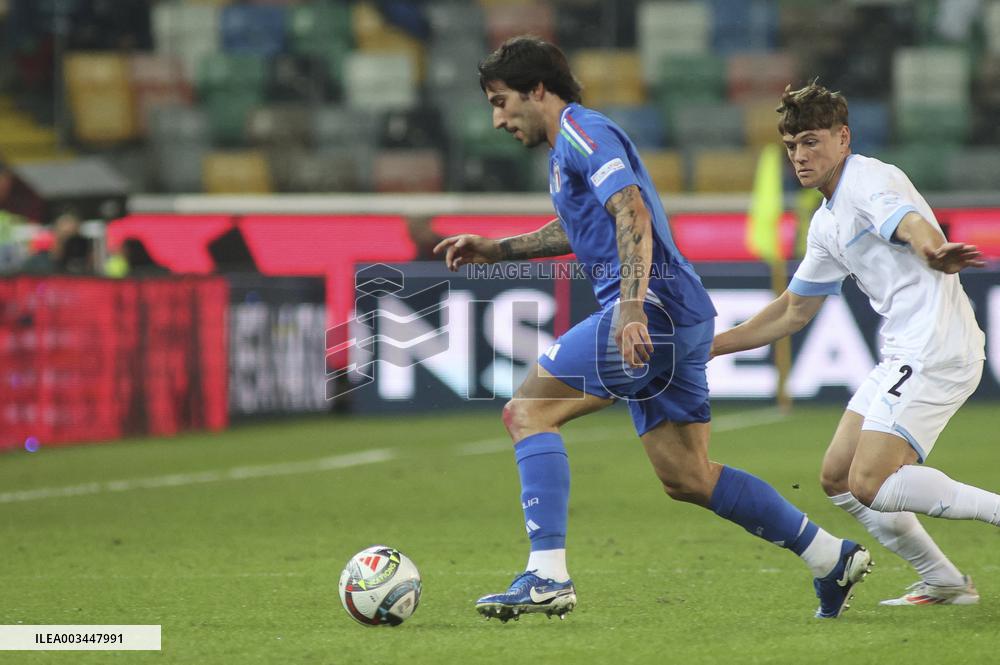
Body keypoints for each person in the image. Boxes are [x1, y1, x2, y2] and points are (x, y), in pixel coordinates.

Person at [434, 37, 871, 622]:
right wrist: (501, 248)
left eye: (501, 100)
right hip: (681, 316)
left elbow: (631, 211)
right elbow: (584, 226)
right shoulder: (571, 147)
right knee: (687, 476)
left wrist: (632, 309)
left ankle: (546, 575)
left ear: (537, 90)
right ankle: (829, 557)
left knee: (527, 412)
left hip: (652, 313)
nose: (497, 119)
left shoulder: (584, 133)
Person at [712, 80, 992, 607]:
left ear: (843, 137)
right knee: (837, 476)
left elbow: (910, 224)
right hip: (905, 351)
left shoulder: (868, 180)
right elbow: (794, 310)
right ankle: (944, 582)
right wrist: (713, 346)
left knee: (870, 481)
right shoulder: (826, 220)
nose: (800, 155)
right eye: (792, 145)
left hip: (935, 348)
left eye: (812, 141)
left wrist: (934, 249)